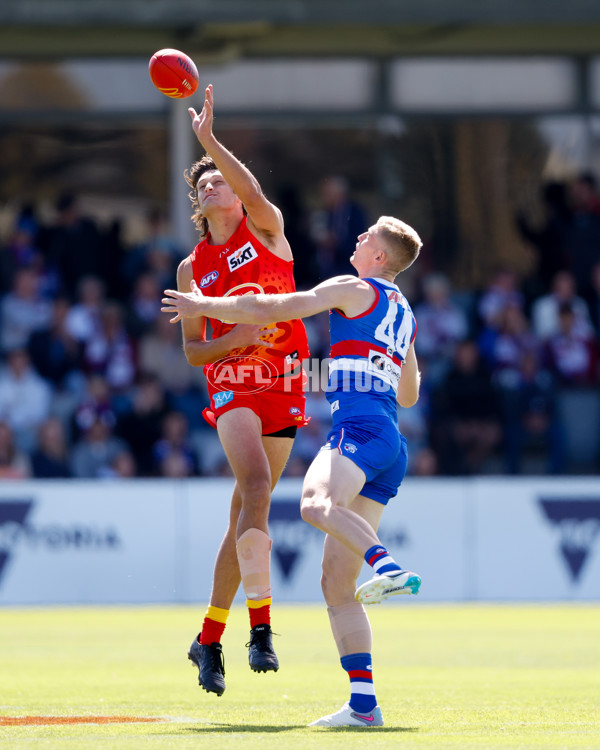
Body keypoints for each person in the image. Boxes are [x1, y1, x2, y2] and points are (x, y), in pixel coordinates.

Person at [163, 214, 423, 728]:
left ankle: (387, 566)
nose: (358, 237)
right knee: (334, 585)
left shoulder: (353, 287)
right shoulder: (406, 311)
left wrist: (204, 305)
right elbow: (410, 393)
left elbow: (277, 306)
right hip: (391, 442)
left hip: (361, 432)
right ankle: (364, 706)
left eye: (366, 234)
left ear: (379, 257)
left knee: (313, 504)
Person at [174, 85, 310, 697]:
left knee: (244, 515)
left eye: (218, 181)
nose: (212, 187)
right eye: (202, 184)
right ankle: (262, 631)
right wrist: (239, 337)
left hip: (286, 375)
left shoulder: (267, 229)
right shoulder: (191, 268)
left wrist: (209, 142)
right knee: (254, 487)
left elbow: (251, 189)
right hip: (233, 381)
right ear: (198, 207)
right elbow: (196, 352)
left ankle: (208, 637)